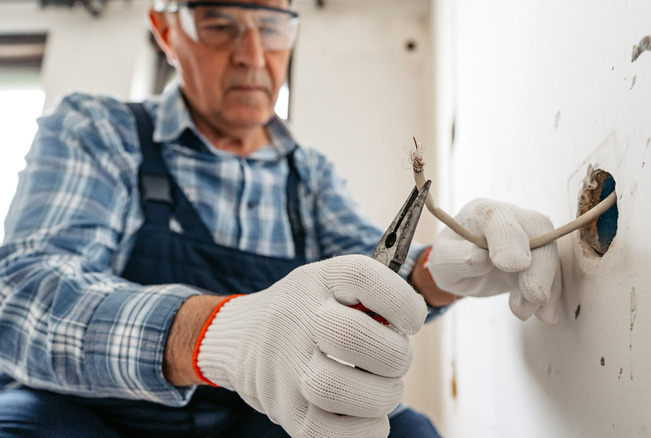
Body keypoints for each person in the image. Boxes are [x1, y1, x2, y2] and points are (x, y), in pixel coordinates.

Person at [0, 0, 561, 436]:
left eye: (271, 25)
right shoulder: (97, 129)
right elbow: (24, 291)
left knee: (403, 432)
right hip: (84, 414)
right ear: (167, 31)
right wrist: (217, 334)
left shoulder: (308, 175)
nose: (252, 53)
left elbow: (374, 271)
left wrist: (446, 267)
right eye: (219, 23)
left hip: (255, 421)